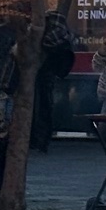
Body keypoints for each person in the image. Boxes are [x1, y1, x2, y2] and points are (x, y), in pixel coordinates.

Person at [32, 10, 75, 151]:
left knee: (42, 104)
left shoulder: (50, 22)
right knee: (44, 104)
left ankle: (39, 139)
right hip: (48, 71)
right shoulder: (55, 22)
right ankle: (41, 139)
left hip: (44, 70)